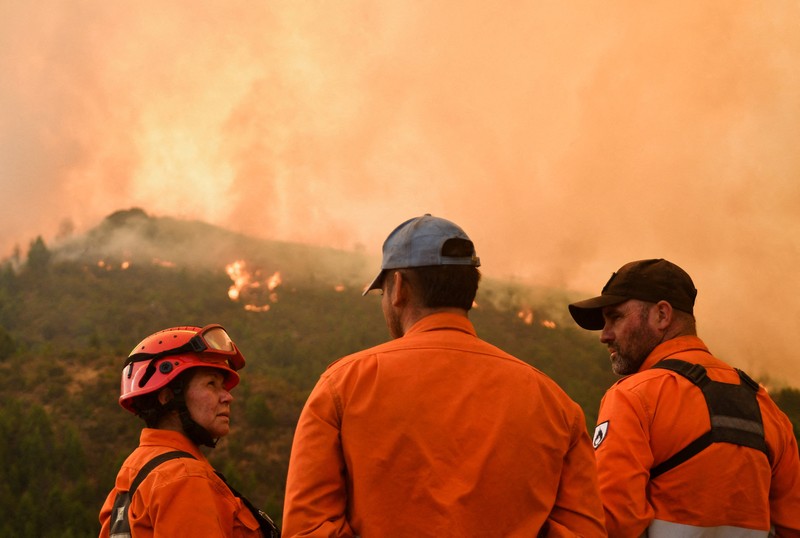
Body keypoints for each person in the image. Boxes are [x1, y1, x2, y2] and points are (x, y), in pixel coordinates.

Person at [282, 214, 606, 537]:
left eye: (383, 293)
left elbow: (308, 529)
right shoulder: (554, 402)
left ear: (398, 288)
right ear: (470, 292)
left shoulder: (343, 385)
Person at [568, 258, 800, 537]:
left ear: (662, 315)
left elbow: (611, 522)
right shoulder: (767, 408)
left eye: (615, 317)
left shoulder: (633, 398)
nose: (604, 335)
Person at [98, 324, 279, 537]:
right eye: (211, 384)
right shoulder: (184, 477)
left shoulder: (135, 468)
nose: (227, 397)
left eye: (224, 386)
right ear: (167, 396)